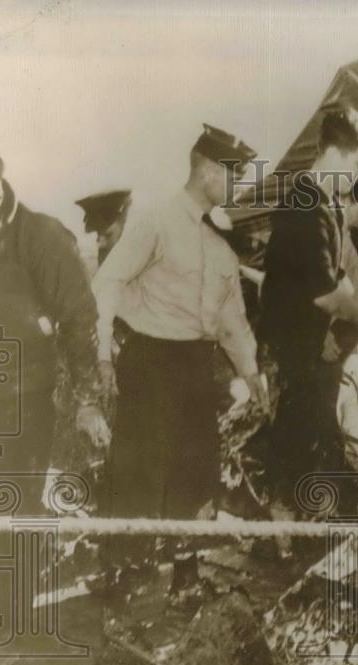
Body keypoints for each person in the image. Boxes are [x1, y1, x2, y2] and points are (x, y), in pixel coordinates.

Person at [93, 124, 268, 521]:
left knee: (195, 474)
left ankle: (185, 570)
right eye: (233, 173)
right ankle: (128, 571)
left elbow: (231, 319)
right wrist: (103, 353)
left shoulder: (221, 240)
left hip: (195, 365)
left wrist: (251, 372)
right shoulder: (156, 222)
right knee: (139, 476)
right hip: (150, 360)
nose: (239, 183)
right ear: (207, 171)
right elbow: (107, 283)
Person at [260, 107, 358, 516]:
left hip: (314, 347)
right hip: (293, 352)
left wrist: (357, 308)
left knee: (317, 438)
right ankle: (283, 523)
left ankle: (306, 518)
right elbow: (323, 294)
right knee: (296, 440)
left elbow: (338, 279)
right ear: (333, 153)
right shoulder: (304, 204)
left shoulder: (329, 204)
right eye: (357, 164)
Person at [0, 148, 110, 515]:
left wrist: (88, 400)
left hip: (17, 397)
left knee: (9, 507)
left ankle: (17, 572)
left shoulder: (41, 237)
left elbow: (78, 318)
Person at [75, 189, 132, 267]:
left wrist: (127, 206)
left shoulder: (116, 221)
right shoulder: (114, 221)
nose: (101, 244)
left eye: (108, 236)